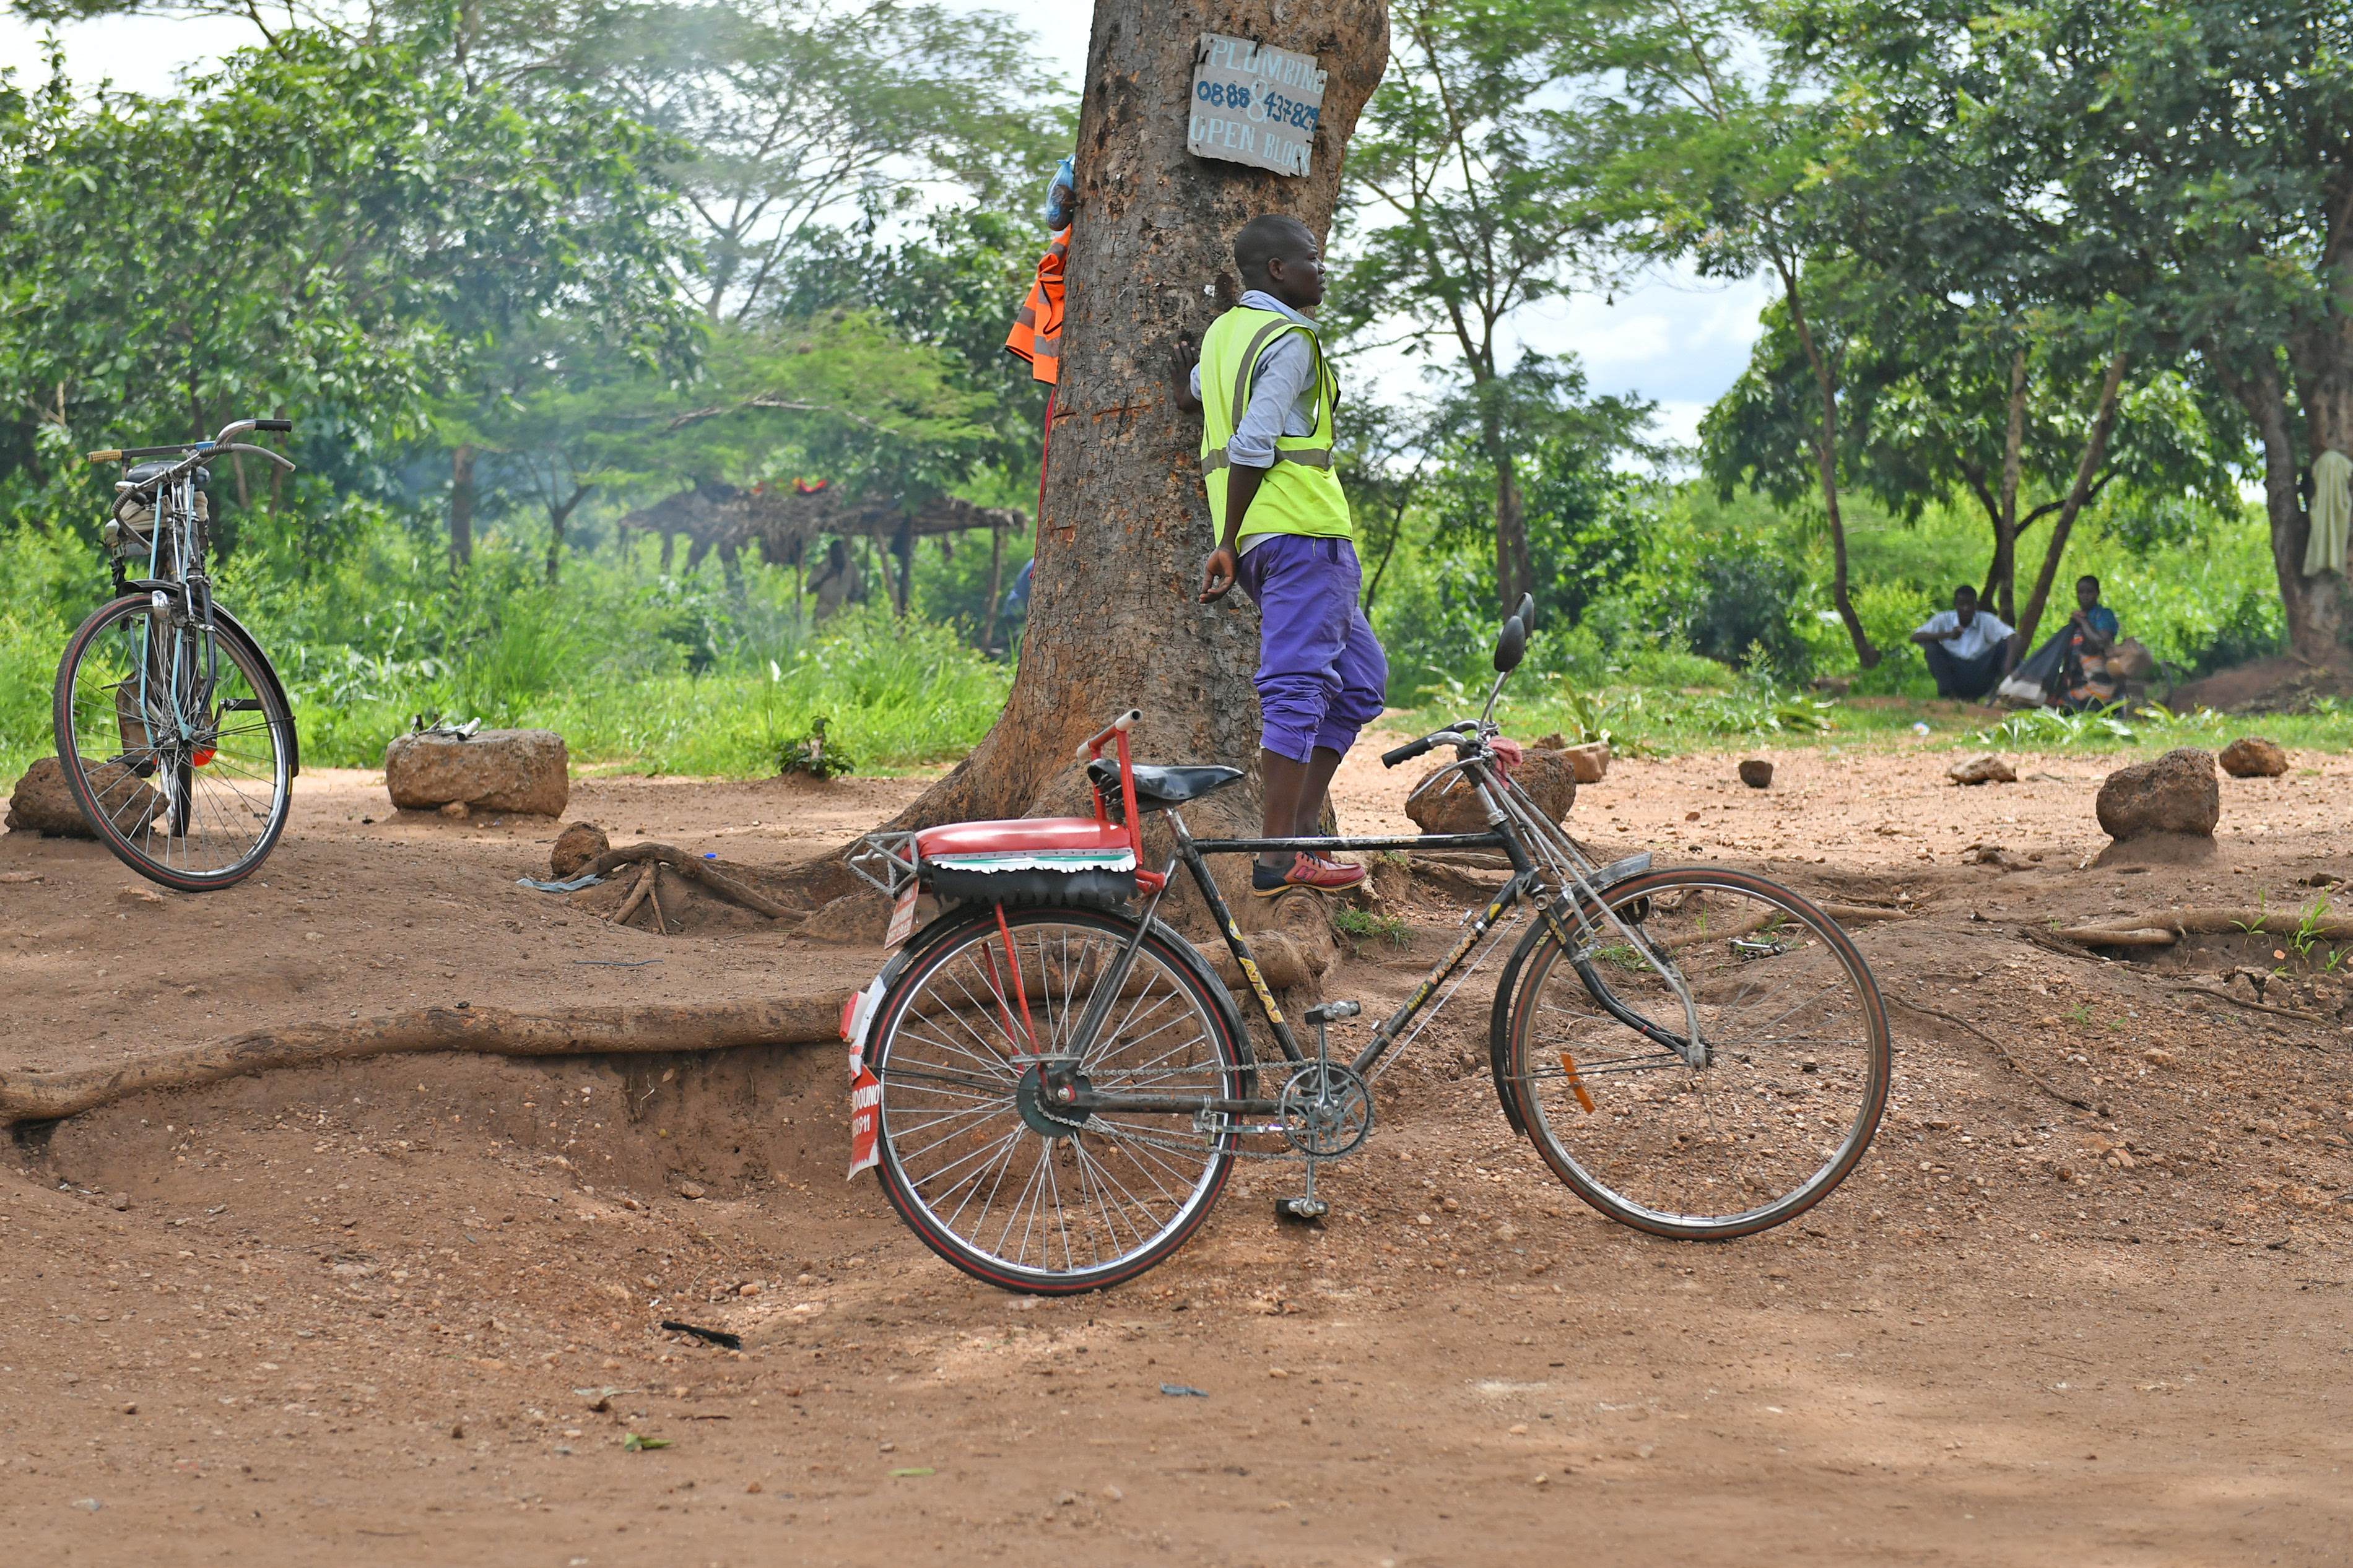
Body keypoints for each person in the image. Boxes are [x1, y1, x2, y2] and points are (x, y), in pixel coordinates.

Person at [1175, 214, 1384, 896]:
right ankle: (1278, 853)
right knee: (1297, 685)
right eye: (1311, 259)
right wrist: (1225, 541)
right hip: (1300, 536)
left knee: (1359, 681)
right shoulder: (1292, 339)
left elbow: (1199, 394)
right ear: (1276, 270)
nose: (1319, 269)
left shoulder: (1222, 334)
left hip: (1278, 543)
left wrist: (1238, 540)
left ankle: (1299, 832)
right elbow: (1253, 442)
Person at [1910, 584, 2013, 701]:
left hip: (1980, 672)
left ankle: (2004, 693)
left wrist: (2008, 666)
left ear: (1976, 605)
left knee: (2006, 646)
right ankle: (1951, 695)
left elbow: (2013, 637)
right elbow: (1915, 637)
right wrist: (1948, 635)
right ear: (1955, 605)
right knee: (1931, 646)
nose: (1966, 608)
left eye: (1970, 604)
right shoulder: (1943, 619)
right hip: (1954, 673)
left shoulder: (1986, 620)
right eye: (1962, 604)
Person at [2053, 573, 2123, 711]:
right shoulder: (2077, 620)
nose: (2085, 596)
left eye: (2090, 592)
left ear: (2097, 593)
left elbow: (2101, 643)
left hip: (2101, 683)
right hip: (2076, 683)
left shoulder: (2103, 615)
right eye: (2081, 592)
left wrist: (2082, 622)